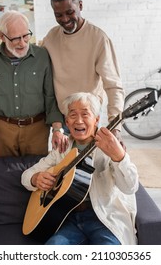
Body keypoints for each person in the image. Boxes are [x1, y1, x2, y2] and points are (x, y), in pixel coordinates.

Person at [21, 92, 139, 245]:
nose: (79, 120)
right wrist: (35, 178)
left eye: (85, 114)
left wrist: (119, 157)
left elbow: (130, 187)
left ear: (96, 120)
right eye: (73, 115)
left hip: (105, 218)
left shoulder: (110, 146)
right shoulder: (61, 150)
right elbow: (26, 175)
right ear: (66, 122)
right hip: (69, 219)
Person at [41, 0, 125, 146]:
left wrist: (116, 127)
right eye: (58, 15)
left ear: (80, 5)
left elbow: (114, 86)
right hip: (62, 117)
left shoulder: (98, 38)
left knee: (92, 166)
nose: (65, 19)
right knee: (63, 169)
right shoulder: (51, 38)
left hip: (88, 118)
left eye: (70, 12)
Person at [0, 10, 68, 157]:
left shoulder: (42, 56)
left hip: (37, 129)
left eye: (26, 36)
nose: (23, 43)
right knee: (3, 176)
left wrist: (57, 129)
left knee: (37, 174)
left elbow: (51, 95)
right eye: (15, 39)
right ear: (1, 36)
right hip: (3, 130)